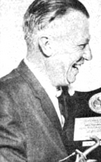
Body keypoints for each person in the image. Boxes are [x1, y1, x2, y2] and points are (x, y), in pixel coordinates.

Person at [0, 0, 92, 161]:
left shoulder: (63, 95)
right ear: (47, 45)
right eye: (82, 45)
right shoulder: (5, 99)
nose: (89, 55)